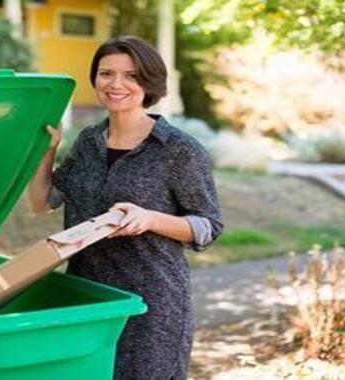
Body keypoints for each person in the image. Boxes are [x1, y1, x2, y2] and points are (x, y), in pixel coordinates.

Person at [27, 35, 223, 380]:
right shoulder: (88, 141)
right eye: (106, 74)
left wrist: (149, 219)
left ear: (149, 83)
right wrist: (47, 149)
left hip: (151, 305)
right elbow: (42, 202)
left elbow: (208, 227)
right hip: (88, 297)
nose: (116, 84)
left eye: (131, 75)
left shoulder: (179, 150)